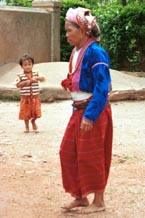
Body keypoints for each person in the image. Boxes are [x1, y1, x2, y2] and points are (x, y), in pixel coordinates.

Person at [59, 7, 113, 214]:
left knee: (92, 155)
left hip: (93, 111)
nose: (67, 35)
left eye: (69, 30)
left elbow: (102, 87)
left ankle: (99, 201)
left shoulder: (96, 52)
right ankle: (80, 197)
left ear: (82, 30)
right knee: (68, 152)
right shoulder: (77, 51)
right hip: (77, 110)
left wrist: (90, 115)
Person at [15, 54, 45, 133]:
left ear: (32, 65)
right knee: (26, 113)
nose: (27, 66)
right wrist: (25, 82)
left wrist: (37, 78)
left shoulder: (36, 73)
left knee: (36, 112)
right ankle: (27, 126)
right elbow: (17, 85)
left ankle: (33, 121)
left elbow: (43, 79)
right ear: (21, 66)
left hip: (35, 98)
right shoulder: (20, 76)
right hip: (26, 98)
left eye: (29, 64)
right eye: (25, 65)